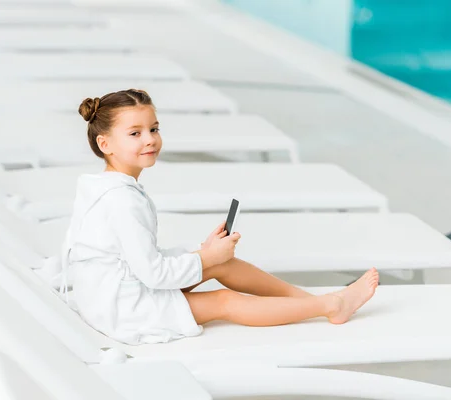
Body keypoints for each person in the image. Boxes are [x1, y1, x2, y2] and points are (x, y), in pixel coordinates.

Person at [62, 89, 379, 346]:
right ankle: (332, 306)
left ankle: (310, 301)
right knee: (224, 302)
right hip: (123, 310)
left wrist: (206, 253)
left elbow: (130, 260)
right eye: (135, 133)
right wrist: (204, 258)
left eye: (154, 129)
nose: (150, 139)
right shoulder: (122, 201)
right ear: (105, 144)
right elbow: (153, 275)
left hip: (107, 295)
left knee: (221, 262)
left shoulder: (104, 186)